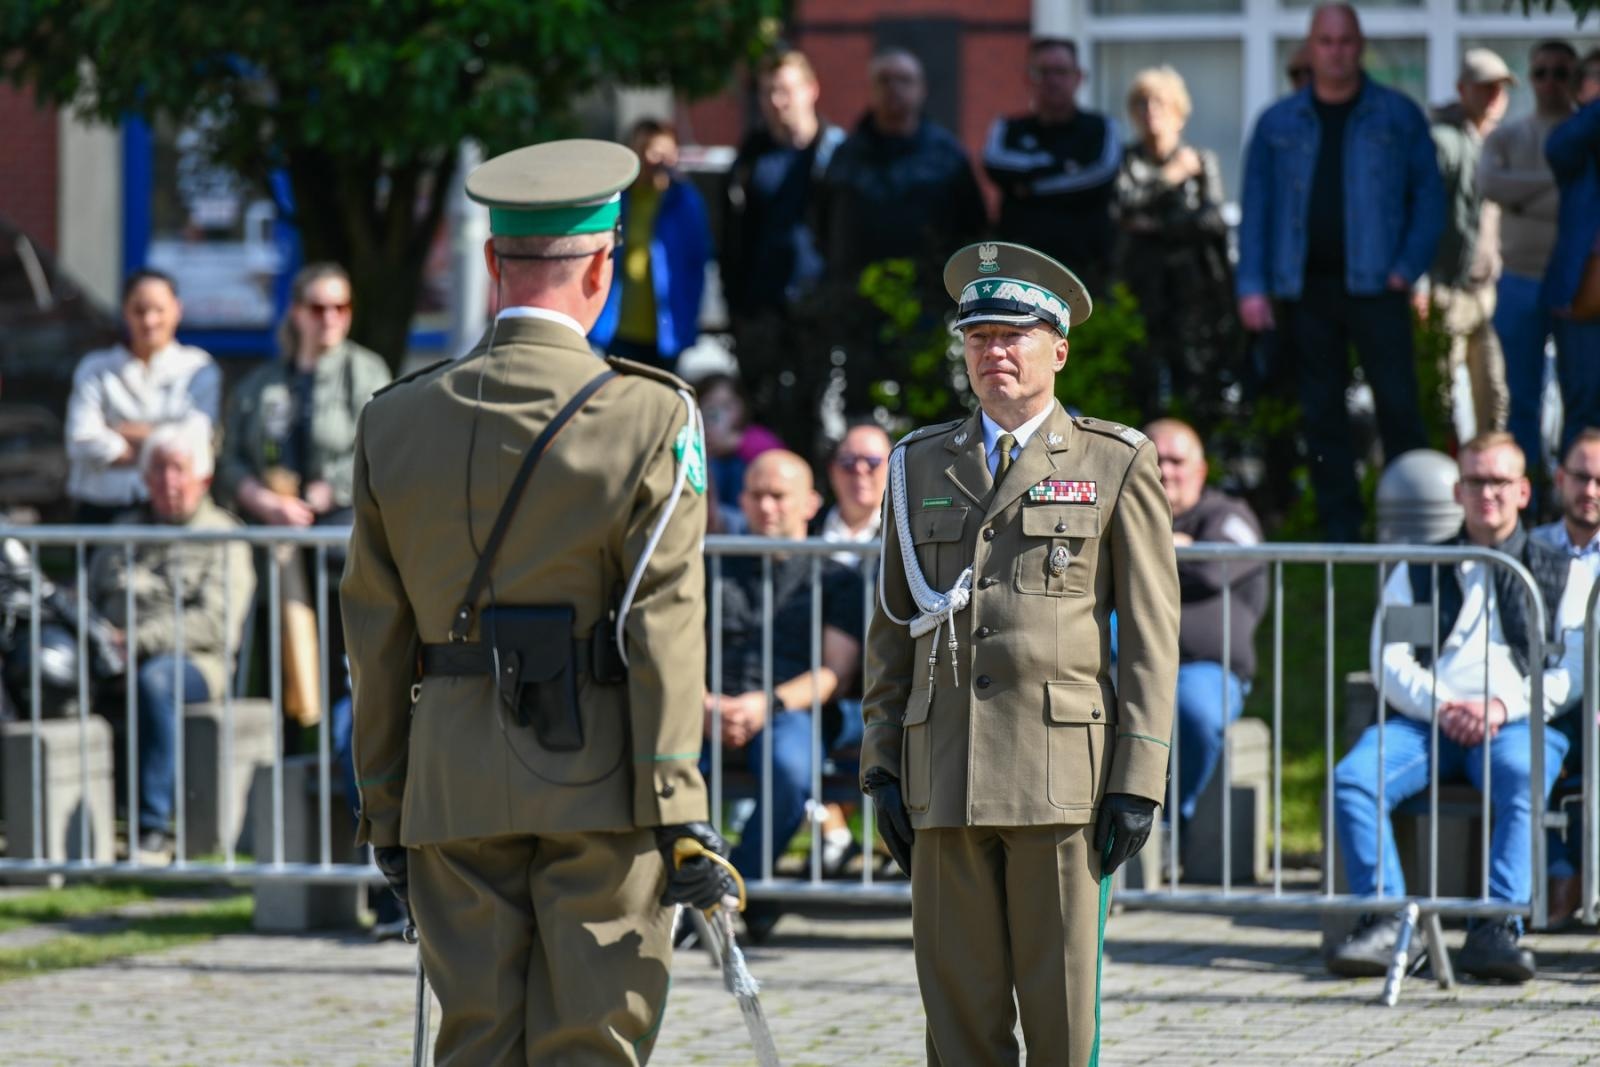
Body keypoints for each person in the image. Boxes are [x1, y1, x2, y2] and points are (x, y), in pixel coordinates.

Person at [341, 140, 734, 1064]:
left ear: (490, 265)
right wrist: (679, 800)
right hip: (601, 777)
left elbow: (376, 633)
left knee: (475, 1042)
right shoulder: (653, 416)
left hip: (450, 780)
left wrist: (387, 803)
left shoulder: (393, 419)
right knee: (592, 1044)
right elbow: (665, 621)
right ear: (603, 268)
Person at [862, 240, 1178, 1065]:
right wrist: (881, 763)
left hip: (1060, 778)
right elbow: (893, 629)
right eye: (978, 337)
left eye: (1014, 335)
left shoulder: (1115, 461)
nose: (994, 352)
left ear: (1059, 347)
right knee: (958, 1023)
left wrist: (1138, 775)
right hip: (946, 771)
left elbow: (1150, 637)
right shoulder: (916, 463)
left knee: (1063, 1022)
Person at [1330, 432, 1581, 983]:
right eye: (1475, 481)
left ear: (1522, 490)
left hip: (1518, 723)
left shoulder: (1563, 572)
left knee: (1524, 773)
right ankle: (1392, 924)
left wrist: (1500, 706)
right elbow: (1390, 658)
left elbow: (1571, 673)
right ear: (1456, 490)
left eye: (1498, 481)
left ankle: (1497, 926)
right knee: (1353, 778)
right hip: (1427, 722)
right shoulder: (1420, 566)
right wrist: (1443, 707)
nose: (1486, 492)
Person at [1236, 3, 1443, 542]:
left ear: (1360, 45)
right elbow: (1255, 207)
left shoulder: (1397, 115)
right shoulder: (1278, 122)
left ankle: (1413, 520)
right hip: (1304, 289)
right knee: (1321, 412)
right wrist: (1252, 285)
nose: (1336, 51)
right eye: (1325, 41)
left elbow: (1431, 200)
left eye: (1346, 40)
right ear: (1309, 48)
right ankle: (1340, 529)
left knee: (1398, 405)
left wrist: (1406, 267)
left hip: (1379, 286)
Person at [703, 449, 865, 938]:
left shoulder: (837, 577)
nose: (766, 506)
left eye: (778, 495)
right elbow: (677, 648)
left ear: (811, 502)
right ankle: (695, 890)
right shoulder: (711, 566)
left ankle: (741, 889)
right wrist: (702, 703)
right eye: (755, 494)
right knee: (669, 765)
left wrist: (764, 704)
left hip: (789, 709)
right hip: (707, 706)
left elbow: (833, 673)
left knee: (791, 768)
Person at [89, 417, 253, 864]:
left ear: (204, 476)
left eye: (178, 468)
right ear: (144, 478)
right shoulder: (122, 531)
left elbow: (217, 624)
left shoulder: (224, 536)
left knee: (156, 681)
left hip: (195, 665)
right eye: (158, 469)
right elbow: (87, 598)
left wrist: (136, 640)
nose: (168, 480)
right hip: (111, 654)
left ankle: (152, 830)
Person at [814, 48, 988, 427]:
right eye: (884, 81)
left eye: (904, 80)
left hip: (928, 310)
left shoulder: (947, 156)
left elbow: (974, 230)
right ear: (871, 90)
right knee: (858, 411)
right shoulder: (845, 155)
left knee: (934, 412)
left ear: (922, 89)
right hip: (857, 311)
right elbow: (821, 227)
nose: (894, 89)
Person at [722, 48, 846, 449]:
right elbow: (731, 238)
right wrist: (737, 308)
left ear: (811, 90)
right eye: (767, 93)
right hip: (761, 314)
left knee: (824, 425)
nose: (776, 102)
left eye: (785, 90)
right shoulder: (749, 157)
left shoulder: (837, 154)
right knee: (766, 423)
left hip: (822, 313)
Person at [1145, 419, 1265, 831]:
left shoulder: (1230, 515)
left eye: (1177, 460)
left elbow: (1214, 568)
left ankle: (1168, 827)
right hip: (1121, 661)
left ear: (1201, 469)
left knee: (1193, 712)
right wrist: (1178, 549)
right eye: (1155, 459)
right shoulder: (1126, 511)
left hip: (1202, 669)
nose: (1165, 469)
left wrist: (1150, 546)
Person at [1115, 66, 1238, 427]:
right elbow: (1122, 208)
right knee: (1144, 386)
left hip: (1194, 292)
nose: (1150, 110)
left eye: (1160, 102)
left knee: (1197, 386)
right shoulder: (1129, 161)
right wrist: (1171, 177)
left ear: (1179, 113)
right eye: (1141, 103)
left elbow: (1212, 220)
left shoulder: (1200, 162)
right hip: (1143, 290)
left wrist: (1155, 226)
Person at [1482, 41, 1576, 478]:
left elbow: (1575, 206)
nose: (1551, 82)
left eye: (1561, 72)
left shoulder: (1586, 132)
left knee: (1581, 396)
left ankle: (1575, 497)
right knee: (1520, 398)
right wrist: (1560, 184)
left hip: (1579, 284)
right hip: (1518, 279)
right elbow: (1491, 186)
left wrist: (1525, 195)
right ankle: (1526, 496)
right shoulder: (1507, 135)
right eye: (1541, 72)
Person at [65, 270, 221, 523]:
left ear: (177, 310)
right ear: (125, 312)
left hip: (169, 510)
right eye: (139, 310)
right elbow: (81, 440)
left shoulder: (198, 368)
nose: (149, 321)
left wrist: (117, 430)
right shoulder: (95, 368)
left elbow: (195, 439)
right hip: (101, 507)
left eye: (159, 310)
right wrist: (164, 451)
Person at [1422, 49, 1514, 441]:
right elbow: (1420, 215)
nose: (1494, 96)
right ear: (1463, 89)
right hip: (1447, 288)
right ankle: (1446, 488)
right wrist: (1421, 283)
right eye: (1484, 87)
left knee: (1494, 396)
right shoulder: (1442, 142)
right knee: (1441, 400)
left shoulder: (1500, 142)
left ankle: (1494, 478)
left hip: (1489, 291)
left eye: (1500, 88)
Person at [983, 39, 1121, 292]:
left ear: (1078, 77)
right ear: (1028, 79)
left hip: (1087, 272)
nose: (1052, 80)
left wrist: (1030, 188)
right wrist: (1065, 167)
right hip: (1019, 273)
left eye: (1060, 71)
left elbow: (1100, 176)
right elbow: (995, 164)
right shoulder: (1008, 129)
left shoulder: (1100, 128)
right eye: (1043, 72)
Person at [1531, 427, 1600, 923]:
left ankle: (1576, 882)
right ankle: (1559, 879)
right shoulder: (1528, 548)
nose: (1590, 490)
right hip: (1543, 694)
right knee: (1536, 754)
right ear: (1559, 479)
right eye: (1580, 477)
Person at [591, 119, 711, 373]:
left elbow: (696, 263)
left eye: (658, 151)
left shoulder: (684, 202)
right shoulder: (616, 200)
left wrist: (688, 317)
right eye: (642, 150)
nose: (649, 159)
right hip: (619, 328)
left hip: (666, 331)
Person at [1541, 49, 1600, 460]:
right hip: (1586, 291)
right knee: (1583, 408)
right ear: (1579, 90)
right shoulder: (1574, 139)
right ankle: (1579, 514)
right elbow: (1560, 149)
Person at [818, 420, 891, 569]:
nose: (859, 469)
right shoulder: (805, 527)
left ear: (893, 467)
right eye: (848, 461)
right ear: (832, 470)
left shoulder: (907, 533)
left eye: (873, 462)